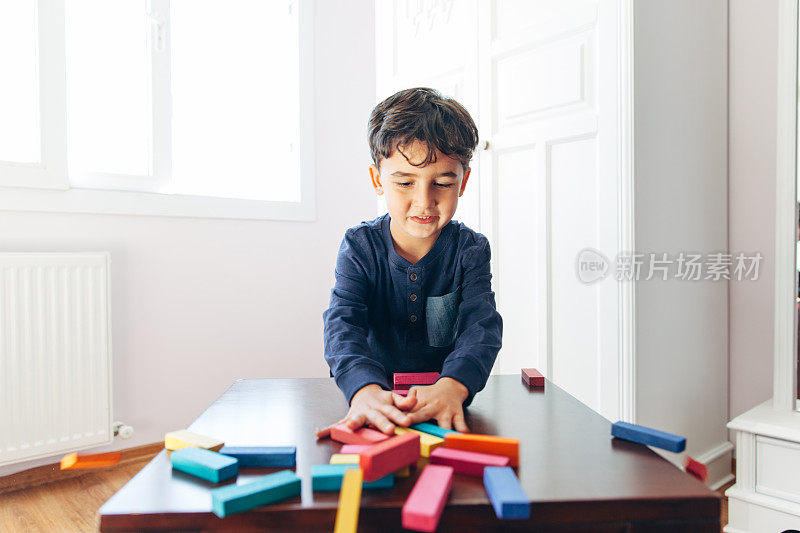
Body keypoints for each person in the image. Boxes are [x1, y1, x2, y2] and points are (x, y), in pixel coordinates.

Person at [315, 87, 503, 438]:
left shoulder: (470, 250)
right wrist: (363, 390)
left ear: (463, 182)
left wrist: (454, 385)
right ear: (378, 180)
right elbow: (343, 325)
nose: (424, 201)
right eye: (404, 182)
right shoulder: (360, 246)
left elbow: (482, 327)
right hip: (375, 403)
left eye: (443, 182)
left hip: (446, 403)